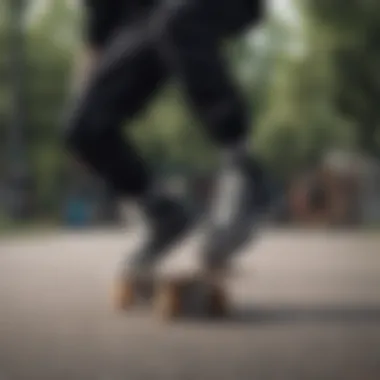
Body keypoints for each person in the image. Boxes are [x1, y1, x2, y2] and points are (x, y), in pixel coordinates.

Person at [65, 0, 274, 286]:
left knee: (177, 20)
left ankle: (244, 170)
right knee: (84, 127)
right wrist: (81, 116)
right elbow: (98, 36)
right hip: (148, 21)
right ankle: (163, 215)